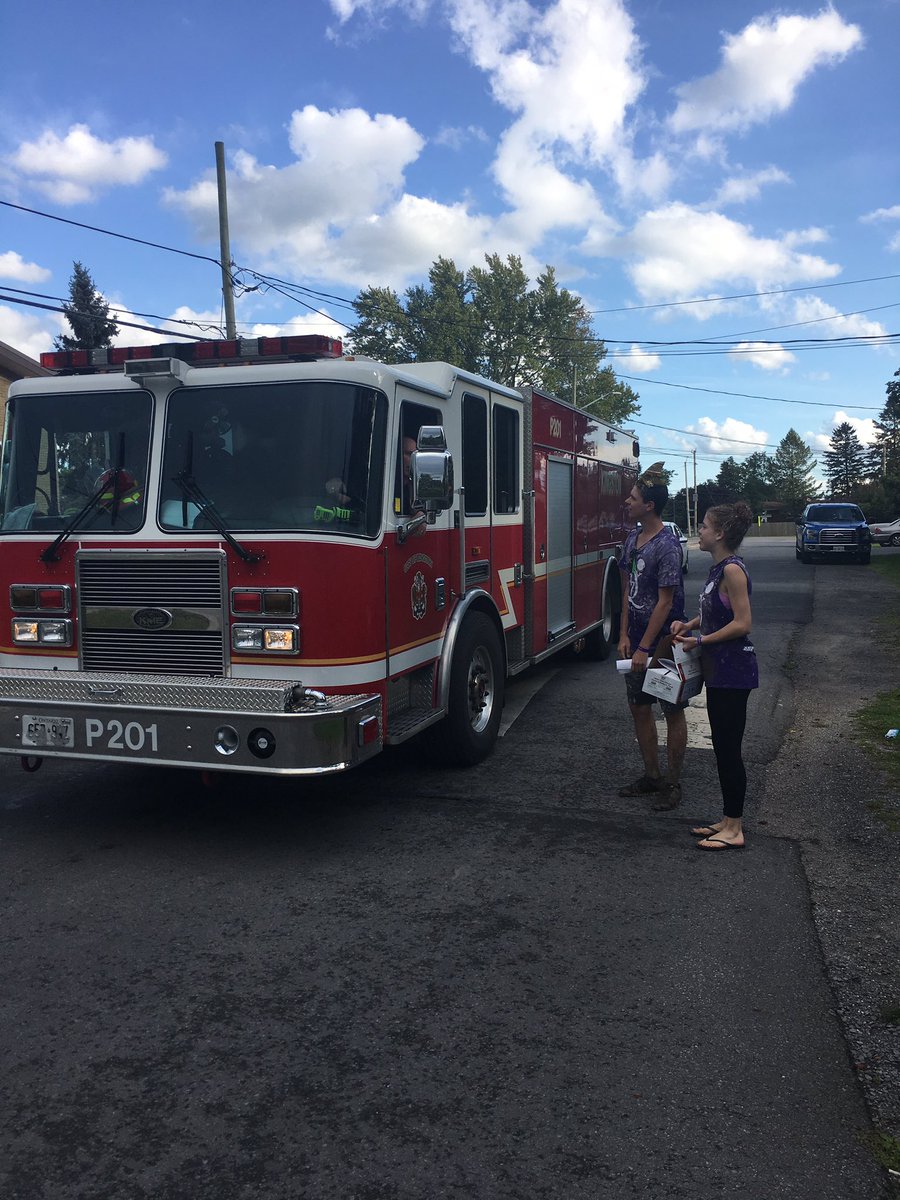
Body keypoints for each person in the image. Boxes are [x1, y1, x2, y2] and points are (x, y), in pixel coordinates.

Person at [671, 501, 759, 851]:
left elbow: (743, 623)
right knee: (722, 748)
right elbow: (712, 612)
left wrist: (700, 640)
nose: (701, 531)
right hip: (717, 670)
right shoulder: (717, 568)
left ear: (720, 534)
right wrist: (689, 624)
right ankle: (726, 819)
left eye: (705, 526)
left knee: (729, 748)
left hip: (734, 671)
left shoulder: (733, 571)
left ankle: (735, 828)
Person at [617, 464, 688, 810]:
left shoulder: (668, 546)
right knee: (638, 708)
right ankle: (652, 776)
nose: (627, 501)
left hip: (664, 645)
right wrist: (623, 635)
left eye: (633, 497)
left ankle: (672, 785)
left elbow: (666, 602)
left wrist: (646, 647)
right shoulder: (633, 538)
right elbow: (627, 587)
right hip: (637, 643)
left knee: (671, 710)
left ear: (649, 506)